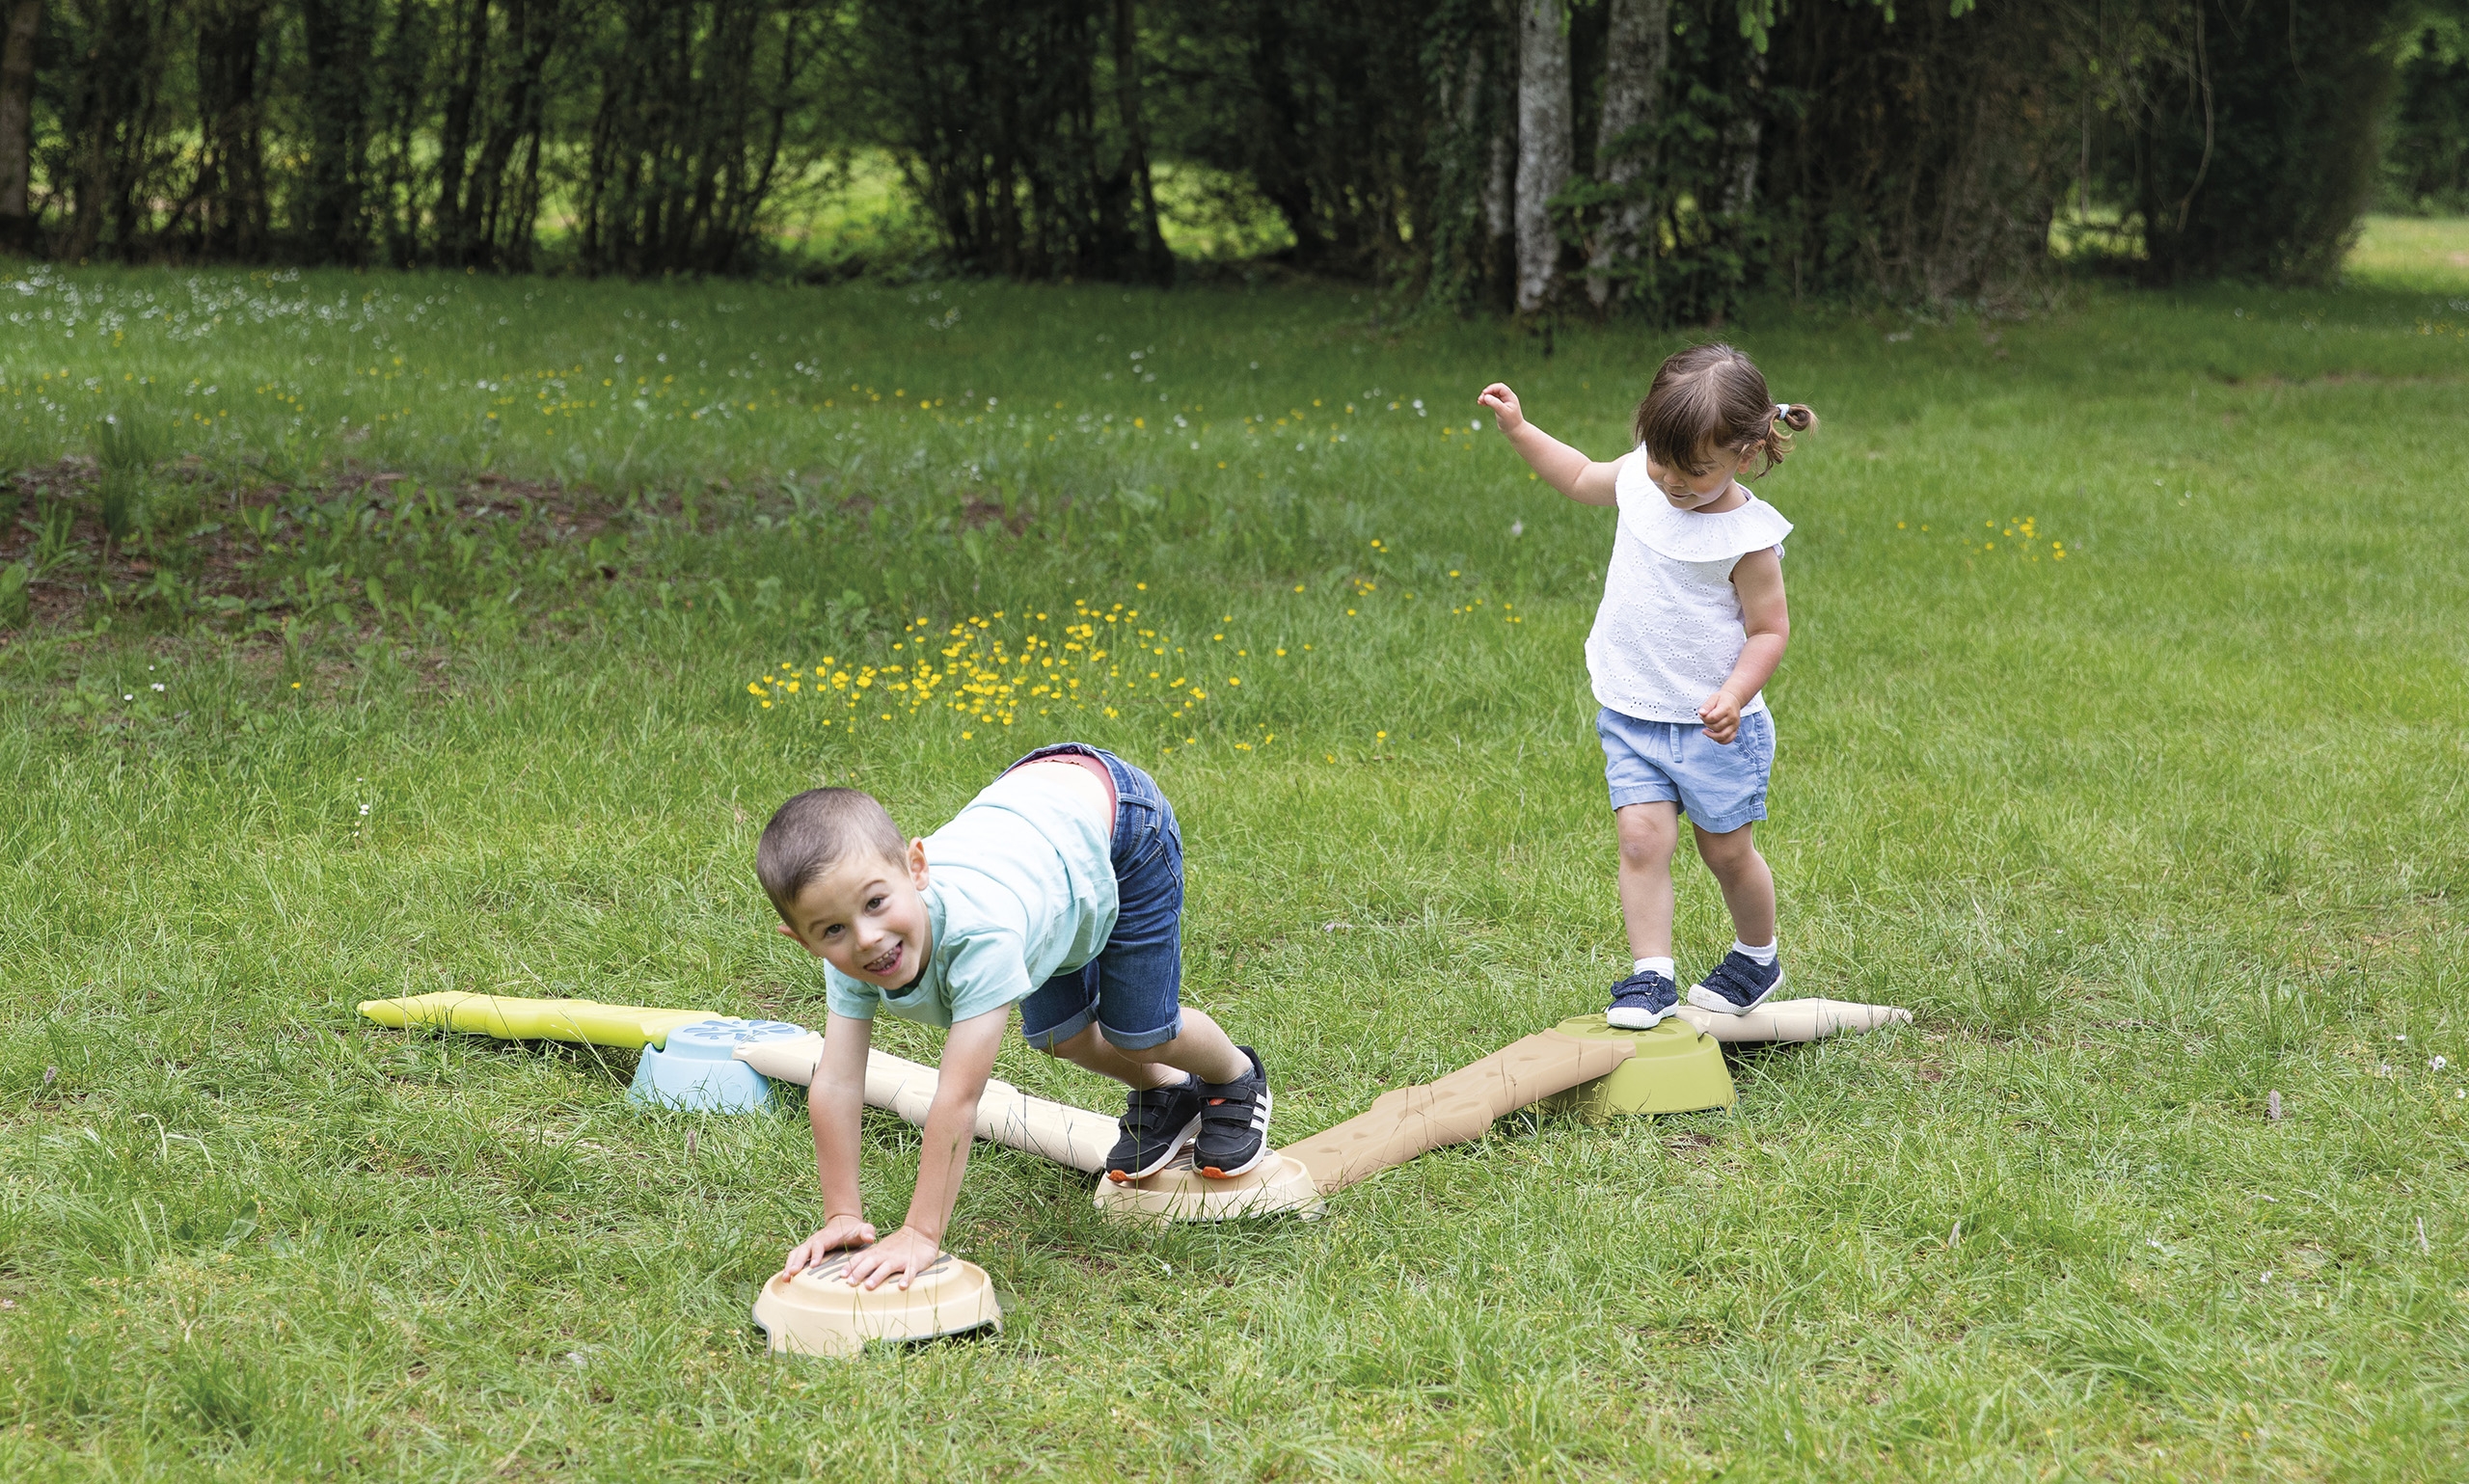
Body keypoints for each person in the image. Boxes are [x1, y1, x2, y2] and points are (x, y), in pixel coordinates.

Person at [758, 744, 1272, 1290]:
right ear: (805, 940)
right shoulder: (853, 953)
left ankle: (1233, 1078)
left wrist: (921, 1232)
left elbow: (957, 1097)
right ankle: (1169, 1094)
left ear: (916, 867)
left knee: (1139, 1032)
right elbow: (836, 1080)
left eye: (876, 903)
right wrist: (841, 1216)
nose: (867, 938)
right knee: (1061, 1035)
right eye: (832, 930)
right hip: (1037, 841)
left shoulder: (983, 937)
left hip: (1117, 824)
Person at [1478, 344, 1816, 1030]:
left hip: (1715, 724)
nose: (1672, 483)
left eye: (1695, 471)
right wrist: (1520, 428)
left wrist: (1735, 692)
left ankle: (1758, 954)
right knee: (1640, 840)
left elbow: (1769, 631)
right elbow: (1576, 474)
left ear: (1746, 454)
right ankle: (1650, 974)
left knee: (1726, 851)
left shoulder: (1746, 539)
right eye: (1661, 461)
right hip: (1632, 710)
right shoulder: (1643, 476)